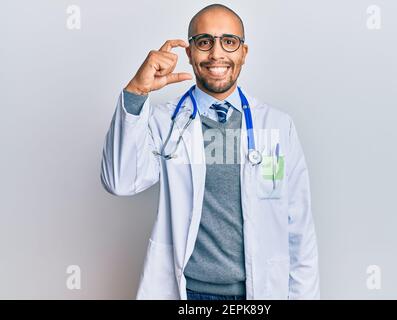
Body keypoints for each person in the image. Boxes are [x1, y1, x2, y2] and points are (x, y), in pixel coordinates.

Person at [100, 3, 320, 300]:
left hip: (260, 293)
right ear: (189, 53)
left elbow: (299, 228)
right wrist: (137, 92)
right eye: (204, 42)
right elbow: (120, 181)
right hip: (188, 294)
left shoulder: (277, 126)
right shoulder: (165, 122)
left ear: (243, 52)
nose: (217, 54)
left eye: (229, 42)